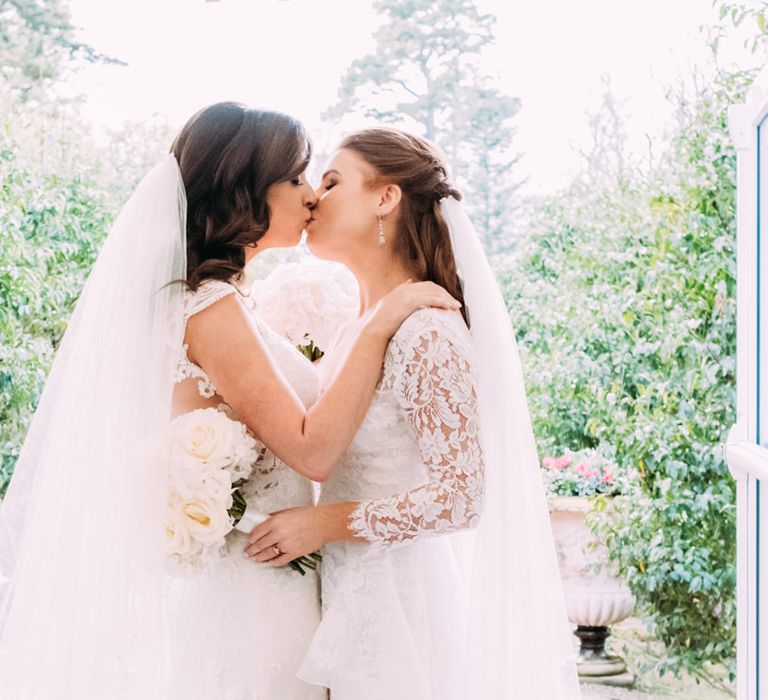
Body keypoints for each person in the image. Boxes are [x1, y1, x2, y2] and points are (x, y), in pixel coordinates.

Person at [0, 105, 460, 699]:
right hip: (257, 589)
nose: (310, 196)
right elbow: (311, 451)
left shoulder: (227, 300)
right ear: (247, 191)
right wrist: (378, 327)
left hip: (273, 570)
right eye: (295, 179)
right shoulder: (209, 305)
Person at [246, 127, 582, 699]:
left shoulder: (425, 328)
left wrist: (322, 524)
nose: (313, 198)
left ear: (386, 198)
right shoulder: (366, 323)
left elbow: (461, 497)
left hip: (394, 602)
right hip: (346, 586)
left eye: (331, 182)